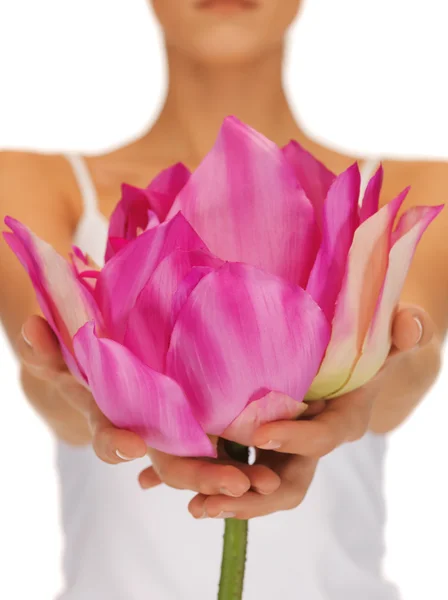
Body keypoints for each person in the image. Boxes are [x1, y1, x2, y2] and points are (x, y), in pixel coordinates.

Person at [0, 1, 447, 598]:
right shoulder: (31, 181)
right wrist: (83, 392)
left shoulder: (411, 185)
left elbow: (407, 360)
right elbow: (48, 376)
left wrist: (371, 383)